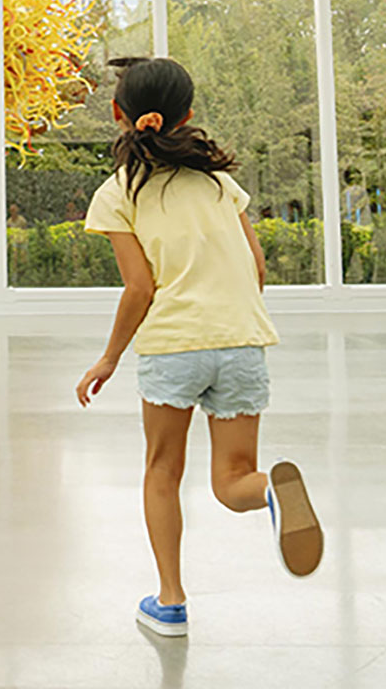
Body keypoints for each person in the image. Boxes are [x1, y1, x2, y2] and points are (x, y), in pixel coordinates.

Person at [74, 57, 323, 638]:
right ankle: (271, 492)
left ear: (119, 115)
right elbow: (257, 268)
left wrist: (109, 357)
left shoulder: (117, 192)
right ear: (188, 115)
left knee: (163, 471)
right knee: (233, 480)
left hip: (173, 346)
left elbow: (140, 287)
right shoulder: (219, 183)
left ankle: (171, 602)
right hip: (242, 341)